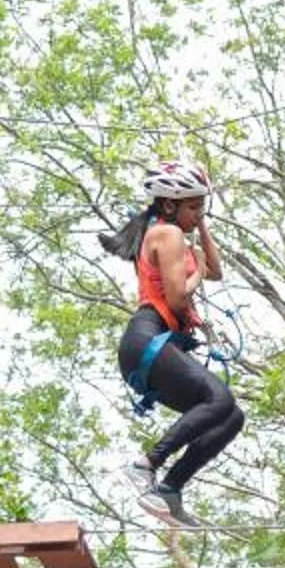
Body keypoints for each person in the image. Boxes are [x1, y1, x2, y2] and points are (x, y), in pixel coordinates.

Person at [114, 160, 246, 526]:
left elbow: (217, 270)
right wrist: (198, 271)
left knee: (230, 417)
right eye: (192, 207)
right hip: (147, 338)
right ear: (168, 205)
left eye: (201, 207)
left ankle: (169, 490)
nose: (197, 214)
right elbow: (175, 300)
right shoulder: (167, 235)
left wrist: (200, 222)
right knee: (219, 399)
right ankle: (146, 464)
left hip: (153, 344)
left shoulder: (176, 234)